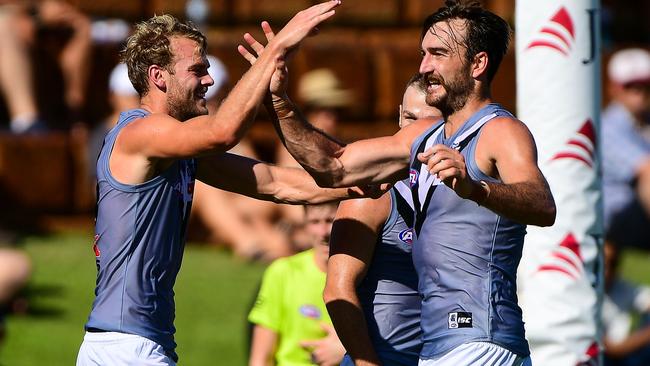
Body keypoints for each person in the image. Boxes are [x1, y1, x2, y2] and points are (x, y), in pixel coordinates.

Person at [239, 1, 556, 364]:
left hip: (482, 340)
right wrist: (279, 103)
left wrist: (475, 187)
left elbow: (542, 204)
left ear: (478, 64)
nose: (424, 67)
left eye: (438, 54)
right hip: (439, 348)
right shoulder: (424, 135)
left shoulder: (500, 130)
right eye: (423, 54)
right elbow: (333, 167)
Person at [75, 2, 363, 365]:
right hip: (126, 348)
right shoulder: (140, 132)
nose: (209, 81)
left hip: (135, 344)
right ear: (158, 77)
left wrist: (377, 183)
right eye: (198, 70)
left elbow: (277, 183)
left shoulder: (176, 151)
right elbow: (223, 132)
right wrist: (274, 50)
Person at [323, 74, 441, 366]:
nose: (417, 131)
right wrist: (367, 363)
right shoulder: (372, 195)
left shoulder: (458, 192)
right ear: (399, 116)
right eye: (411, 118)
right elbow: (337, 290)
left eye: (429, 122)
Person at [248, 202, 345, 366]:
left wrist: (345, 350)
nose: (323, 233)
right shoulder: (283, 272)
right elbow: (260, 359)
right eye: (314, 222)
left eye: (330, 221)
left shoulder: (367, 274)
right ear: (305, 224)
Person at [0, 0, 91, 132]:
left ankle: (74, 113)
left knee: (81, 27)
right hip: (13, 18)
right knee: (4, 25)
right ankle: (27, 122)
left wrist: (47, 9)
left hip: (41, 16)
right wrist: (30, 12)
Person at [602, 48, 650, 251]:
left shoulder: (643, 123)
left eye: (646, 86)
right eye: (632, 86)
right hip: (616, 216)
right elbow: (645, 170)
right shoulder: (609, 125)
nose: (640, 94)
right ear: (614, 88)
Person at [602, 240, 650, 366]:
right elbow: (613, 349)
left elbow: (645, 298)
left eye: (611, 264)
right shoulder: (587, 295)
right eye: (601, 263)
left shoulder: (619, 286)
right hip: (606, 356)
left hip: (626, 353)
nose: (605, 270)